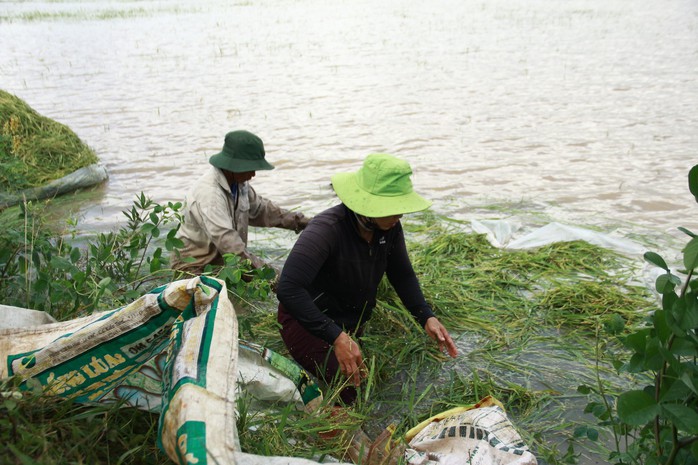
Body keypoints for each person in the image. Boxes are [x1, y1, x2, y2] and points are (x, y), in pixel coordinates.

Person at [276, 153, 458, 405]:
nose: (401, 215)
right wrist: (336, 337)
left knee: (373, 382)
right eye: (394, 208)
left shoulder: (390, 228)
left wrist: (426, 315)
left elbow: (402, 274)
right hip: (306, 322)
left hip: (348, 322)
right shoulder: (325, 230)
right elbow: (288, 288)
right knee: (350, 388)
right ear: (369, 206)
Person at [172, 130, 310, 274]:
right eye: (250, 168)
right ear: (234, 166)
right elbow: (229, 244)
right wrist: (268, 274)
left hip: (224, 263)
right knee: (279, 282)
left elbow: (263, 210)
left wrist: (303, 222)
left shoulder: (239, 183)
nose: (253, 174)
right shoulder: (211, 195)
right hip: (195, 268)